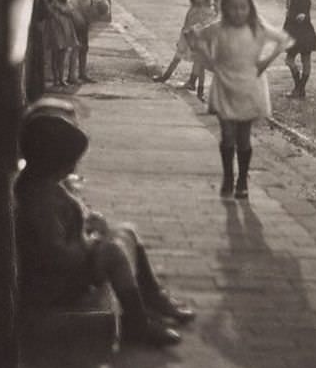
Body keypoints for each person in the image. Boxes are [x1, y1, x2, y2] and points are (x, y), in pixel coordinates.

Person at [14, 98, 194, 348]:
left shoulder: (46, 185)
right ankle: (137, 323)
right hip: (54, 282)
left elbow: (69, 225)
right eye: (70, 161)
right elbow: (56, 254)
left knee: (126, 232)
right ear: (55, 162)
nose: (74, 166)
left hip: (64, 268)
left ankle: (152, 297)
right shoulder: (40, 200)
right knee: (112, 253)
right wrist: (89, 243)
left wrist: (87, 221)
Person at [188, 0, 288, 200]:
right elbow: (197, 38)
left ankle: (242, 179)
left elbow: (282, 40)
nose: (238, 12)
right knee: (227, 135)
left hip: (249, 87)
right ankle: (228, 177)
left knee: (243, 137)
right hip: (224, 85)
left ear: (249, 7)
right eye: (233, 8)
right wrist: (208, 58)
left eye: (243, 7)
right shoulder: (219, 28)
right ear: (225, 8)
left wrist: (265, 61)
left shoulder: (257, 27)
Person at [153, 0, 215, 99]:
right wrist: (183, 36)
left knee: (199, 64)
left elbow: (208, 26)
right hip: (186, 36)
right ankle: (165, 76)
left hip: (200, 40)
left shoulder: (209, 11)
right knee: (176, 58)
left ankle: (198, 90)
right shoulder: (192, 9)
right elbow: (186, 23)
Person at [283, 0, 316, 99]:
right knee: (289, 60)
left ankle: (299, 89)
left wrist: (303, 16)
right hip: (294, 33)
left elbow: (306, 13)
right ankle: (299, 88)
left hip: (303, 33)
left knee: (304, 61)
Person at [72, 0, 110, 83]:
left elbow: (98, 1)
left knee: (84, 46)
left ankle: (82, 73)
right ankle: (72, 75)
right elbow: (73, 2)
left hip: (87, 18)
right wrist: (78, 17)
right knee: (75, 46)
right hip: (77, 18)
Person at [45, 0, 79, 89]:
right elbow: (53, 12)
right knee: (55, 55)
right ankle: (56, 79)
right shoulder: (50, 4)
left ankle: (61, 78)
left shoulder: (65, 3)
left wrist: (62, 9)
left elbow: (69, 11)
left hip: (65, 29)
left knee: (63, 55)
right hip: (55, 30)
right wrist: (57, 6)